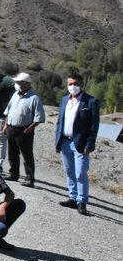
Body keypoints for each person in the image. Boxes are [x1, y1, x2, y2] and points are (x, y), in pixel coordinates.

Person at [55, 73, 100, 215]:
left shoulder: (91, 101)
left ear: (81, 84)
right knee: (69, 171)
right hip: (65, 142)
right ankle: (72, 197)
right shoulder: (64, 100)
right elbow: (59, 122)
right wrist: (57, 141)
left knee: (80, 173)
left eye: (75, 83)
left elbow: (94, 125)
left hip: (80, 144)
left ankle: (82, 202)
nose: (72, 86)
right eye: (69, 84)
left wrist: (90, 143)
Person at [2, 73, 46, 187]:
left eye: (19, 82)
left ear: (26, 83)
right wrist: (6, 125)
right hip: (11, 127)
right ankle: (14, 174)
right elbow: (9, 111)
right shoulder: (15, 95)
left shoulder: (34, 98)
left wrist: (30, 128)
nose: (16, 84)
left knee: (26, 155)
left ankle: (29, 178)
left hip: (24, 130)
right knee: (12, 152)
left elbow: (39, 117)